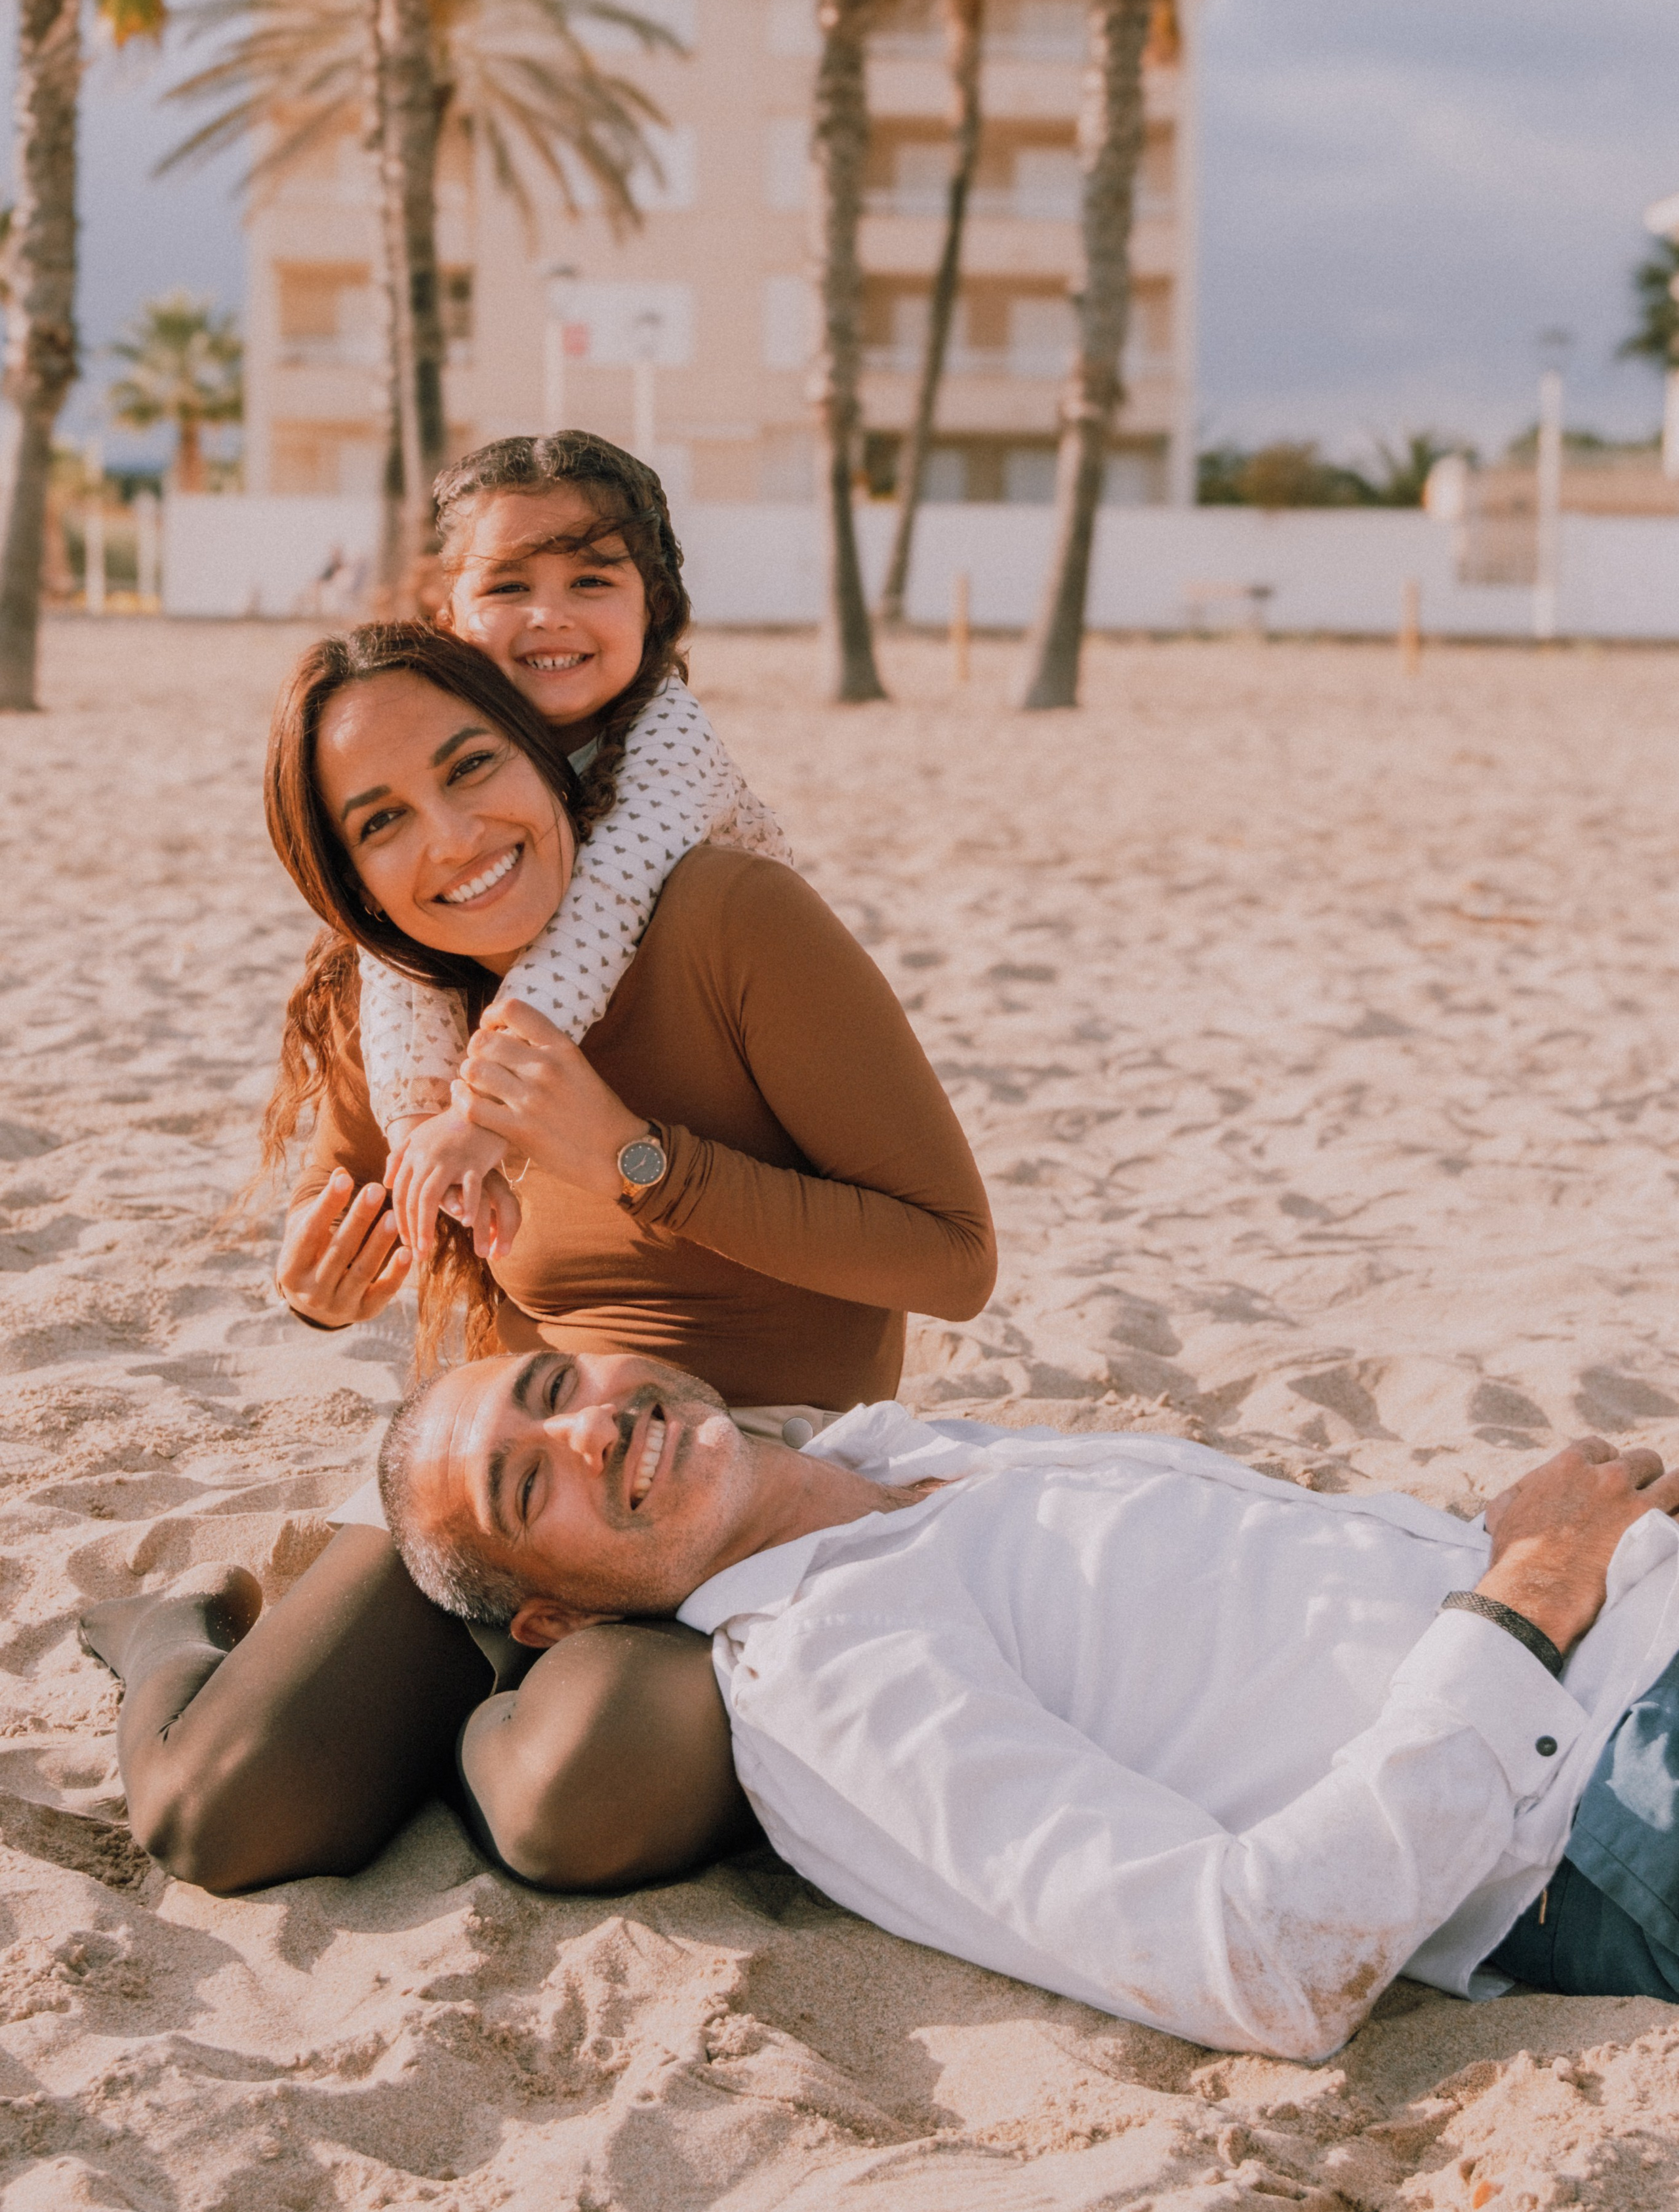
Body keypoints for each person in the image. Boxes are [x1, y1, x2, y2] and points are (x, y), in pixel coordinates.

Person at [79, 624, 994, 1897]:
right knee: (215, 1818)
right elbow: (338, 1215)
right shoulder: (398, 1013)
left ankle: (465, 1719)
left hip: (739, 1480)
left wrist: (634, 1158)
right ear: (349, 876)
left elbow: (951, 1261)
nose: (451, 839)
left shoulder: (729, 916)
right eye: (382, 821)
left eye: (471, 769)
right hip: (506, 1491)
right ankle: (180, 1628)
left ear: (548, 759)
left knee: (584, 1796)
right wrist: (313, 1292)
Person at [374, 1348, 1679, 2062]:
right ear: (557, 1621)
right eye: (522, 1484)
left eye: (555, 1389)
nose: (587, 1431)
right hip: (1606, 1801)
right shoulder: (825, 1678)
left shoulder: (899, 1456)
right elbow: (1255, 1964)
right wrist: (1522, 1595)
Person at [362, 429, 792, 1262]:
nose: (548, 614)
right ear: (446, 613)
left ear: (653, 605)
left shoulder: (670, 736)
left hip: (726, 1047)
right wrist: (420, 1125)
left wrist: (479, 1111)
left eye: (591, 581)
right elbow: (390, 946)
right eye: (508, 585)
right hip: (583, 1045)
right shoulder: (455, 735)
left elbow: (607, 902)